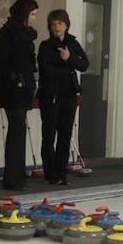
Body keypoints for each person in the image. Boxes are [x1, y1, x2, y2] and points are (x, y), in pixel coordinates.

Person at [37, 9, 90, 185]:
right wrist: (68, 68)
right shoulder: (45, 46)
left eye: (60, 23)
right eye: (53, 24)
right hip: (50, 96)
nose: (56, 27)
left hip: (69, 95)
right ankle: (50, 174)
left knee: (65, 136)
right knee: (49, 135)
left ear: (66, 25)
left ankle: (61, 174)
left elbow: (84, 64)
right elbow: (47, 71)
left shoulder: (72, 44)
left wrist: (69, 58)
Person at [0, 0, 39, 191]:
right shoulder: (8, 32)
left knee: (19, 131)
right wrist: (16, 78)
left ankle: (17, 176)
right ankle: (13, 179)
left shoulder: (28, 35)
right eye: (32, 14)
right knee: (17, 130)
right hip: (12, 88)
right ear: (24, 14)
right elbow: (2, 61)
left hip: (24, 88)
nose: (34, 18)